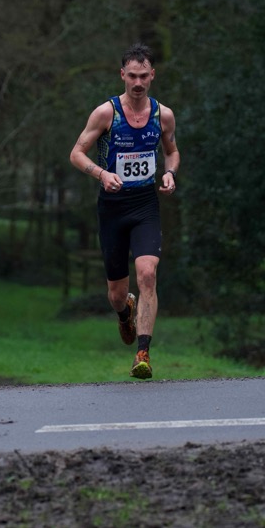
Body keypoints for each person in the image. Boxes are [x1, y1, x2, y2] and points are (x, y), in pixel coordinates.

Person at [69, 42, 180, 380]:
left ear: (153, 75)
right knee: (117, 294)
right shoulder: (106, 113)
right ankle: (124, 312)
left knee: (147, 273)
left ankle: (143, 354)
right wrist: (102, 174)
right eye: (132, 76)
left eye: (143, 76)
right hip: (113, 207)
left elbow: (172, 152)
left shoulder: (163, 115)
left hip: (145, 203)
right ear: (122, 75)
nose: (138, 83)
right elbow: (76, 153)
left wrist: (170, 173)